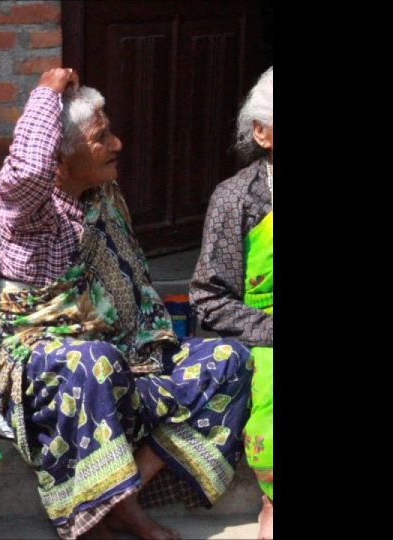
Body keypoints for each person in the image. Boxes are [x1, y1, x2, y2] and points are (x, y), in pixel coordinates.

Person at [0, 68, 253, 539]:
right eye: (100, 137)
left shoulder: (103, 195)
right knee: (95, 361)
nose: (117, 144)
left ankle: (123, 494)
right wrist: (47, 93)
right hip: (59, 379)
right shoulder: (30, 221)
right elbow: (26, 172)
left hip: (131, 364)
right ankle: (96, 519)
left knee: (231, 358)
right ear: (60, 158)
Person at [191, 66, 273, 540]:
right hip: (261, 329)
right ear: (261, 133)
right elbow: (209, 299)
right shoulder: (237, 199)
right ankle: (270, 498)